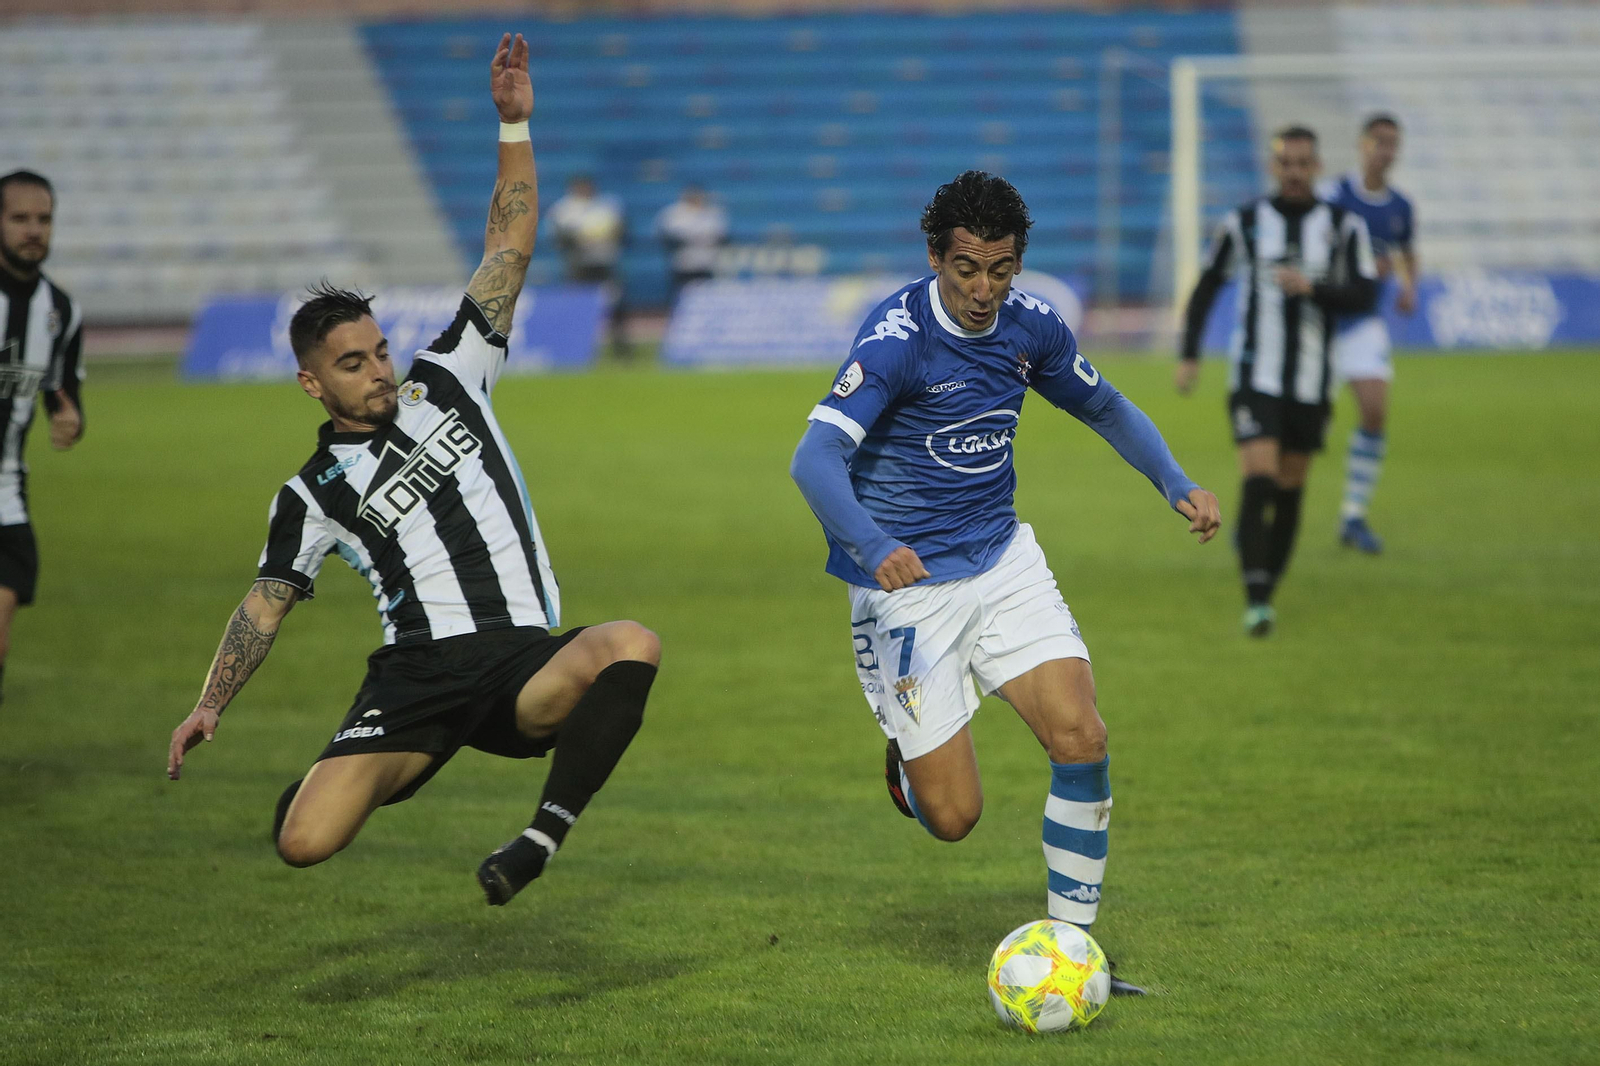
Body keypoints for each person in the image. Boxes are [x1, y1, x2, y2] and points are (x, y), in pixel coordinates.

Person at [166, 34, 661, 908]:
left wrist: (514, 126)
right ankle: (364, 768)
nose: (379, 371)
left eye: (380, 351)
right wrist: (211, 703)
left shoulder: (451, 376)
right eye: (353, 364)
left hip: (522, 660)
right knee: (304, 843)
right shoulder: (311, 494)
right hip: (417, 679)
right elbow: (264, 605)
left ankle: (538, 841)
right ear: (313, 384)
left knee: (631, 643)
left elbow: (508, 249)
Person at [790, 170, 1221, 995]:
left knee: (1081, 736)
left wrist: (1175, 481)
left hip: (1001, 559)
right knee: (954, 819)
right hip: (908, 586)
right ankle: (909, 766)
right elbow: (814, 458)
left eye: (1000, 269)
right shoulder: (895, 341)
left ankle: (1075, 954)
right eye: (966, 270)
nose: (984, 290)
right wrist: (872, 544)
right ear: (935, 258)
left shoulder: (1032, 326)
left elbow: (1104, 406)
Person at [1177, 126, 1379, 636]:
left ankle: (1266, 588)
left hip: (1313, 382)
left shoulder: (1344, 226)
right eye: (1285, 163)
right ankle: (1256, 598)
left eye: (1302, 163)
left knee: (1289, 490)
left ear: (1316, 167)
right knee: (1260, 476)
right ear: (1274, 167)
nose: (1293, 172)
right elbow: (1207, 285)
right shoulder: (1245, 222)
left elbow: (1365, 295)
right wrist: (1190, 353)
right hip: (1255, 375)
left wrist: (1313, 288)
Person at [0, 169, 86, 704]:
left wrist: (68, 417)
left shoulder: (61, 310)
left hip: (6, 494)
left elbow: (63, 390)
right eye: (19, 218)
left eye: (44, 219)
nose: (34, 230)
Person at [1317, 114, 1418, 554]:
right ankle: (1261, 509)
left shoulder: (1400, 206)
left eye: (1392, 142)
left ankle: (1353, 515)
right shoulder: (1334, 195)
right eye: (1378, 140)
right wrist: (1358, 266)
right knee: (1301, 429)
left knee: (1375, 410)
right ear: (1361, 144)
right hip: (1321, 324)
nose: (1385, 150)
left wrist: (1409, 287)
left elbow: (1407, 252)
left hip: (1363, 323)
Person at [547, 174, 629, 357]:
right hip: (579, 265)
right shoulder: (563, 209)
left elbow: (623, 231)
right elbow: (558, 239)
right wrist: (578, 238)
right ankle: (575, 346)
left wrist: (611, 233)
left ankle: (620, 347)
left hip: (604, 262)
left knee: (615, 304)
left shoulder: (606, 205)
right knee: (577, 305)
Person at [654, 184, 728, 301]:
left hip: (706, 263)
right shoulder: (673, 213)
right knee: (681, 297)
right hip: (682, 264)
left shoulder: (712, 213)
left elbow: (720, 236)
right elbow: (668, 236)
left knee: (706, 298)